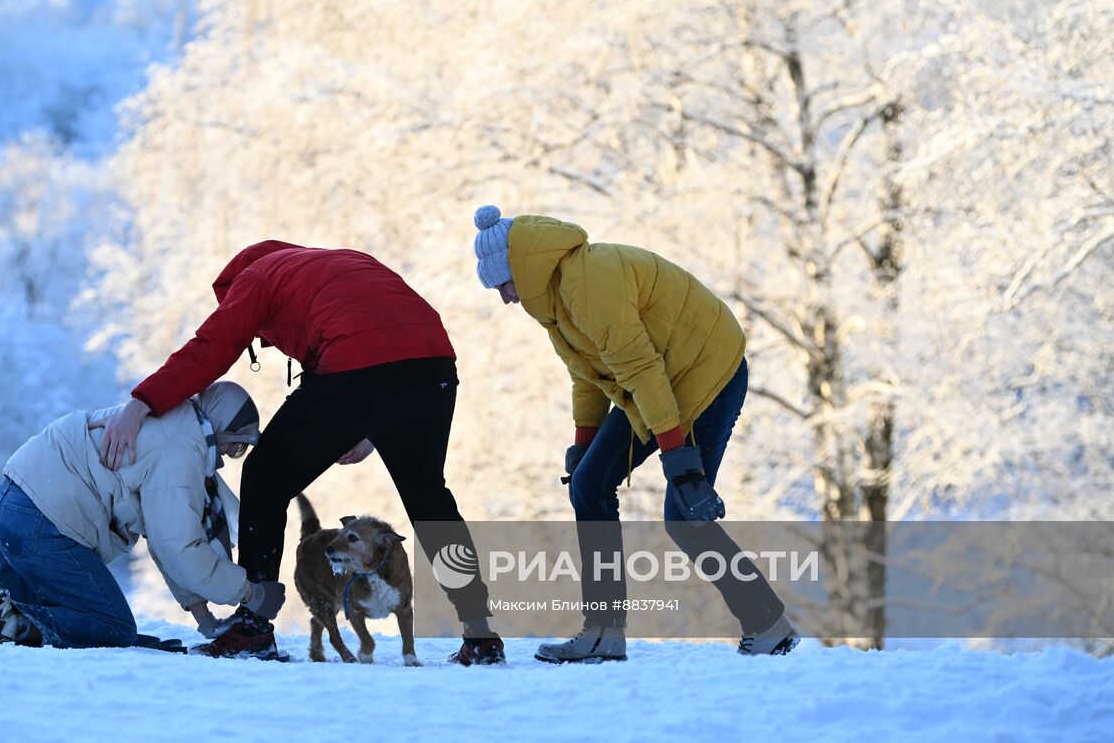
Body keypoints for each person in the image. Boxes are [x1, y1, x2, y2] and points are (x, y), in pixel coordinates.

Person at [99, 240, 504, 665]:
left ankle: (253, 625)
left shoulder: (256, 277)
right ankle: (480, 632)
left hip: (357, 364)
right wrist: (371, 426)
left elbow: (210, 347)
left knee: (264, 477)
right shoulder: (341, 261)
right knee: (428, 496)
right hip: (433, 363)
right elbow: (383, 334)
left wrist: (141, 404)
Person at [471, 205, 799, 661]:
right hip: (656, 382)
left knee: (683, 515)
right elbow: (586, 377)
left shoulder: (590, 280)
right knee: (588, 484)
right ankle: (604, 630)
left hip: (706, 372)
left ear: (520, 270)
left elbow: (643, 369)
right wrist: (583, 448)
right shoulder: (552, 303)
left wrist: (679, 461)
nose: (504, 298)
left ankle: (768, 623)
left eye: (502, 284)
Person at [0, 382, 280, 654]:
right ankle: (4, 618)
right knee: (109, 627)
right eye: (235, 446)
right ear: (218, 427)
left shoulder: (169, 425)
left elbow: (164, 538)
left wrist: (202, 615)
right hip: (44, 525)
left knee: (34, 608)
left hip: (8, 509)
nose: (228, 459)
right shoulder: (182, 448)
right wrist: (248, 593)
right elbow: (180, 547)